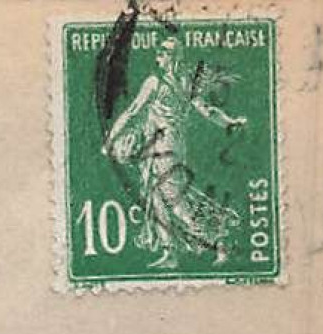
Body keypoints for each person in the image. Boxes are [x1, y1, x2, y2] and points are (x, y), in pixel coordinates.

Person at [102, 36, 247, 269]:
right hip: (166, 145)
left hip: (163, 148)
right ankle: (169, 253)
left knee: (175, 200)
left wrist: (110, 139)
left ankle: (220, 242)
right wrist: (229, 122)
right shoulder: (185, 82)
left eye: (165, 50)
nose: (158, 53)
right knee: (157, 196)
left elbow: (131, 111)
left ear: (174, 56)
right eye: (159, 49)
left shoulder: (155, 82)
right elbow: (207, 110)